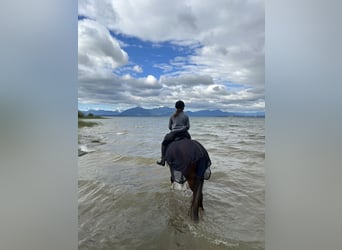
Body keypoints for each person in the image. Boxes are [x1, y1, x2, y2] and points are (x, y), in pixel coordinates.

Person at [157, 100, 191, 166]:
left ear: (175, 107)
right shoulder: (186, 116)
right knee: (190, 142)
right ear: (183, 107)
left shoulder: (172, 116)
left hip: (174, 134)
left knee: (164, 143)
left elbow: (169, 127)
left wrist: (175, 129)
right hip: (184, 133)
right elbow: (188, 127)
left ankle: (163, 160)